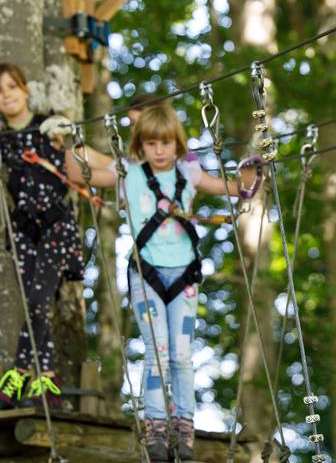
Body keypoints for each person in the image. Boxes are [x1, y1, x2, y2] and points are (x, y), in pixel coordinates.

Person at [67, 103, 259, 461]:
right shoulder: (128, 171)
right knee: (158, 354)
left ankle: (183, 423)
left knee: (182, 355)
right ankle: (155, 425)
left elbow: (232, 188)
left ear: (177, 144)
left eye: (166, 143)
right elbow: (79, 173)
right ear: (141, 145)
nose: (159, 151)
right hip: (147, 275)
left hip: (184, 275)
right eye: (151, 143)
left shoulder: (190, 170)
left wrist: (251, 176)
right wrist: (68, 142)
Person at [0, 63, 84, 410]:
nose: (5, 95)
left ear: (26, 90)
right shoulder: (3, 140)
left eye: (11, 87)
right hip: (23, 231)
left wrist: (68, 131)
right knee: (38, 307)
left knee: (37, 302)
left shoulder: (49, 127)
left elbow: (76, 154)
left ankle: (20, 373)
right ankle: (46, 377)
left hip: (55, 228)